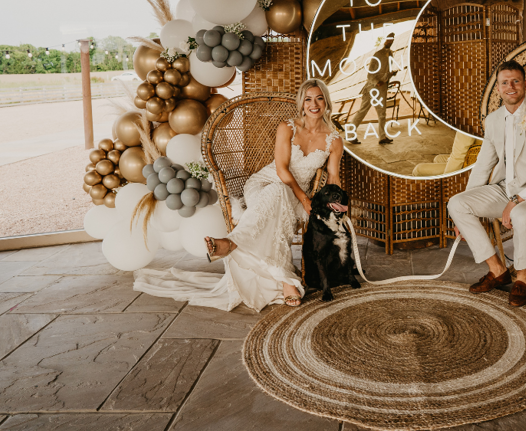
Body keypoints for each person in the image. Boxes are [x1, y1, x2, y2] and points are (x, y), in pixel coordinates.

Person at [133, 79, 343, 312]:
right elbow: (282, 169)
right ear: (301, 103)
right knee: (276, 191)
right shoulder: (288, 127)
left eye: (319, 98)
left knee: (279, 201)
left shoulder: (334, 140)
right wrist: (304, 199)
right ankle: (285, 282)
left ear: (326, 102)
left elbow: (333, 177)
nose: (314, 104)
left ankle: (234, 243)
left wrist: (336, 205)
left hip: (294, 196)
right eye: (308, 99)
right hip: (265, 183)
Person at [446, 60, 526, 308]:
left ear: (525, 84)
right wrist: (465, 216)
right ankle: (498, 270)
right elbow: (483, 165)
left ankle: (523, 279)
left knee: (522, 215)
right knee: (457, 204)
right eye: (504, 82)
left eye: (515, 81)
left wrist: (517, 200)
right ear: (498, 88)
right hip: (504, 190)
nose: (510, 87)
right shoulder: (492, 120)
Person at [348, 33, 396, 145]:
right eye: (388, 40)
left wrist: (391, 74)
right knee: (364, 111)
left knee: (381, 113)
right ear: (385, 41)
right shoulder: (377, 55)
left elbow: (384, 73)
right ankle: (350, 135)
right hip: (373, 88)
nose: (390, 42)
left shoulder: (391, 54)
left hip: (381, 88)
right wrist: (376, 82)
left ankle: (382, 137)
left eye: (392, 40)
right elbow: (370, 74)